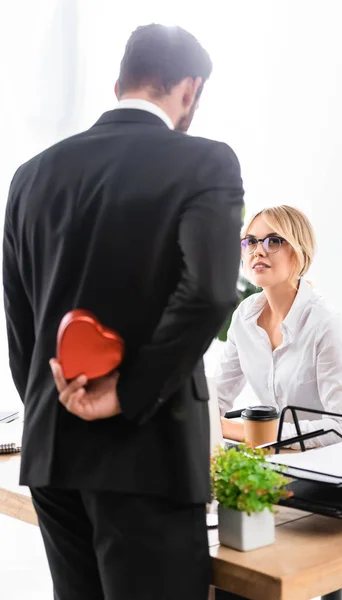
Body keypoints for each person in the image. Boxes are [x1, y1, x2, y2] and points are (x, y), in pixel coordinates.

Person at [3, 24, 244, 600]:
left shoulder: (31, 175)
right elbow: (210, 293)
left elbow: (21, 320)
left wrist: (57, 401)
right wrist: (126, 393)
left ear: (118, 84)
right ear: (190, 88)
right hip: (147, 458)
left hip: (54, 452)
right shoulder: (205, 162)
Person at [216, 205, 342, 448]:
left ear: (299, 251)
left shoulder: (325, 324)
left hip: (325, 464)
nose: (258, 252)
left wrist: (249, 431)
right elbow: (217, 396)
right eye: (251, 241)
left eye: (273, 241)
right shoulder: (244, 316)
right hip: (274, 457)